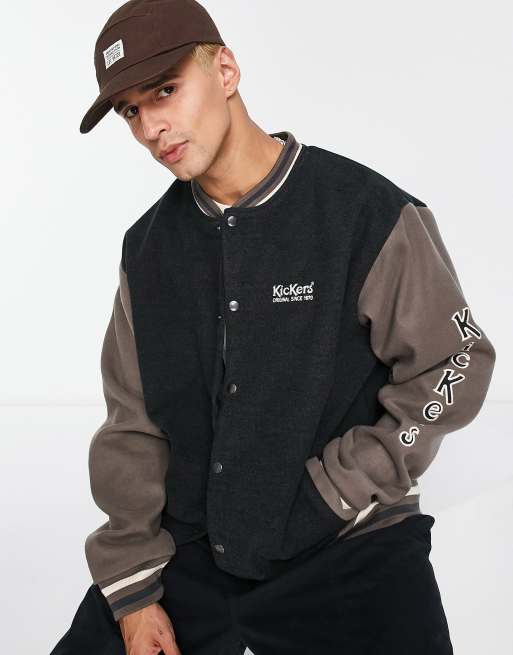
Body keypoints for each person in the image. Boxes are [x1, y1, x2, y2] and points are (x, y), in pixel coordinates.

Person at [50, 0, 496, 653]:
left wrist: (344, 484)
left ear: (225, 70)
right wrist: (135, 589)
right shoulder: (147, 250)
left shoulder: (362, 213)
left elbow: (453, 360)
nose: (151, 127)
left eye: (165, 90)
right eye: (130, 111)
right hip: (190, 552)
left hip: (347, 544)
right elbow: (132, 424)